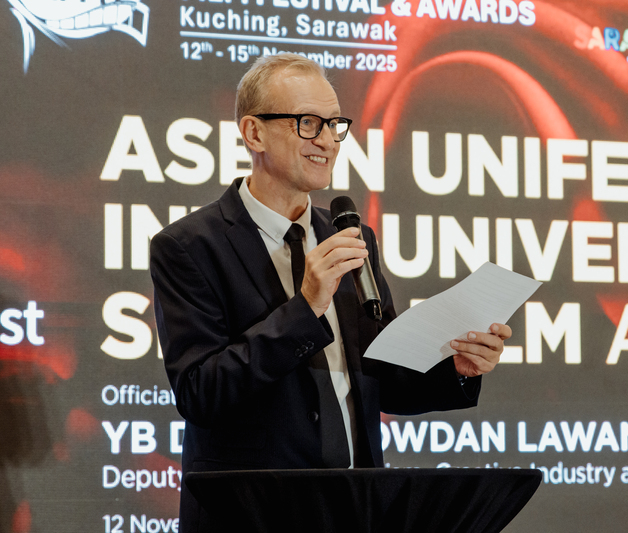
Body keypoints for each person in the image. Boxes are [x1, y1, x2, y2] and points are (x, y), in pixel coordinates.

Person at [150, 53, 511, 533]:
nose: (327, 140)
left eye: (335, 124)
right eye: (308, 123)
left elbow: (380, 378)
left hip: (356, 509)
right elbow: (201, 392)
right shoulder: (189, 246)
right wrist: (305, 309)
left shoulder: (350, 237)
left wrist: (455, 368)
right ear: (254, 133)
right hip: (254, 516)